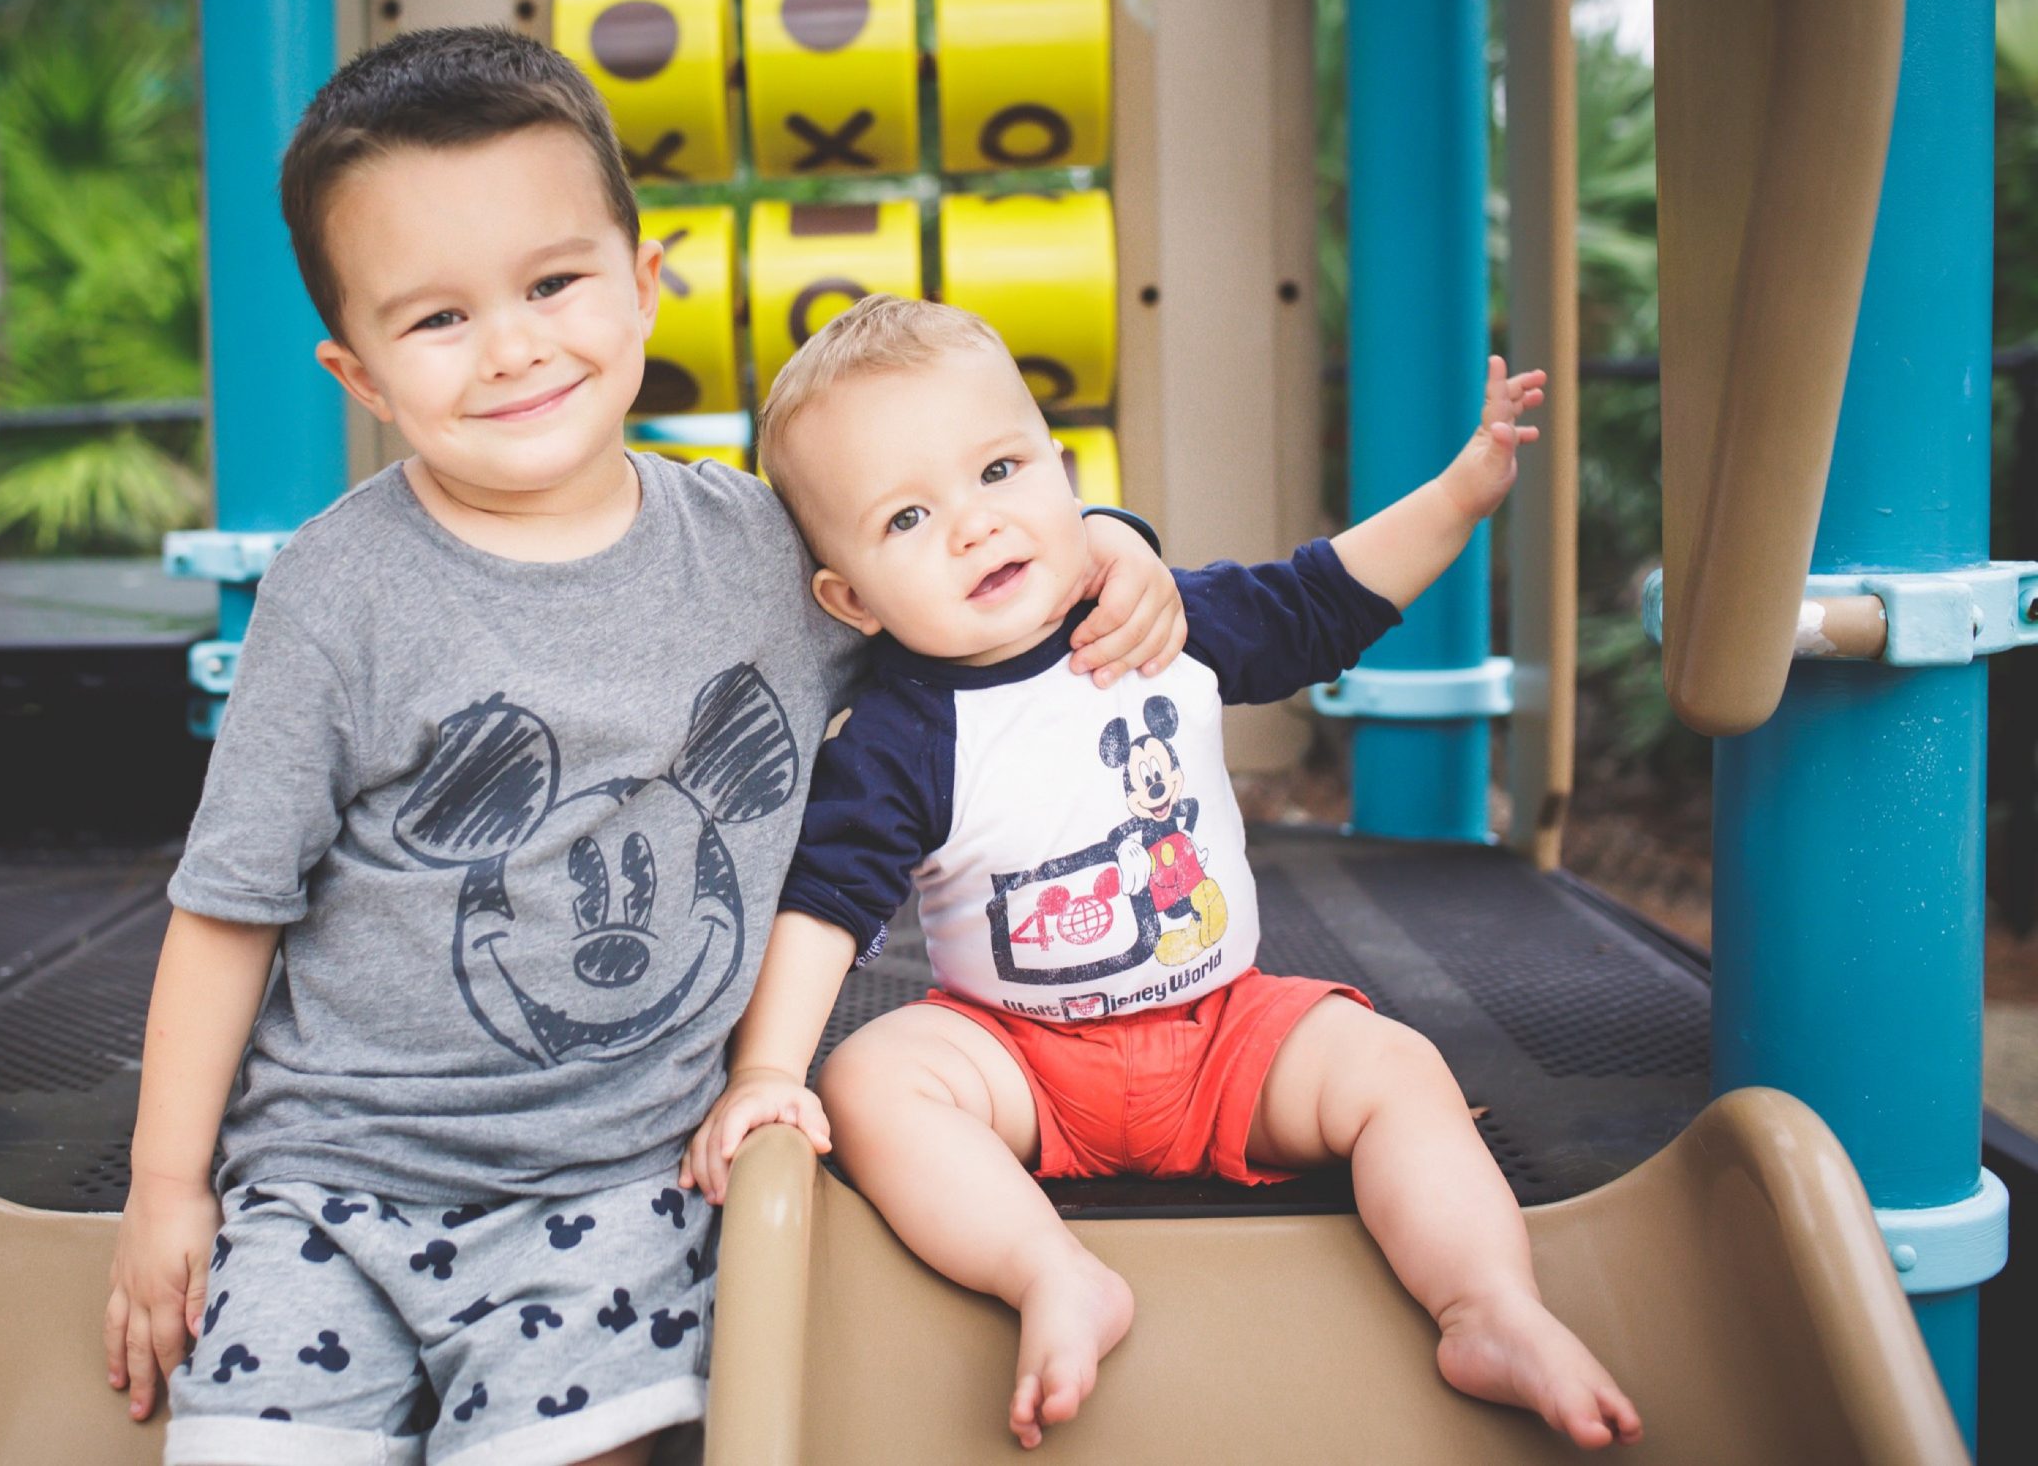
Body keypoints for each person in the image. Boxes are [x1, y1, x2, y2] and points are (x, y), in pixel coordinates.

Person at [100, 30, 1187, 1466]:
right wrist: (167, 1183)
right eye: (439, 318)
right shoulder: (335, 593)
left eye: (553, 283)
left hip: (618, 1181)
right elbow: (231, 901)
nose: (513, 346)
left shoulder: (761, 553)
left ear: (643, 281)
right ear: (358, 373)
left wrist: (1108, 538)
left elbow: (957, 573)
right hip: (329, 1173)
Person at [685, 296, 1643, 1453]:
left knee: (1395, 1067)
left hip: (1227, 1033)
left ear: (1062, 471)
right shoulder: (901, 732)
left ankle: (1487, 1303)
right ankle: (1048, 1269)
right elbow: (825, 903)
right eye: (907, 516)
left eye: (999, 469)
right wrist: (767, 1071)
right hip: (1021, 1061)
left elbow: (1320, 601)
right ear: (848, 598)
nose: (974, 525)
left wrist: (1461, 494)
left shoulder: (1154, 619)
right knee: (874, 1078)